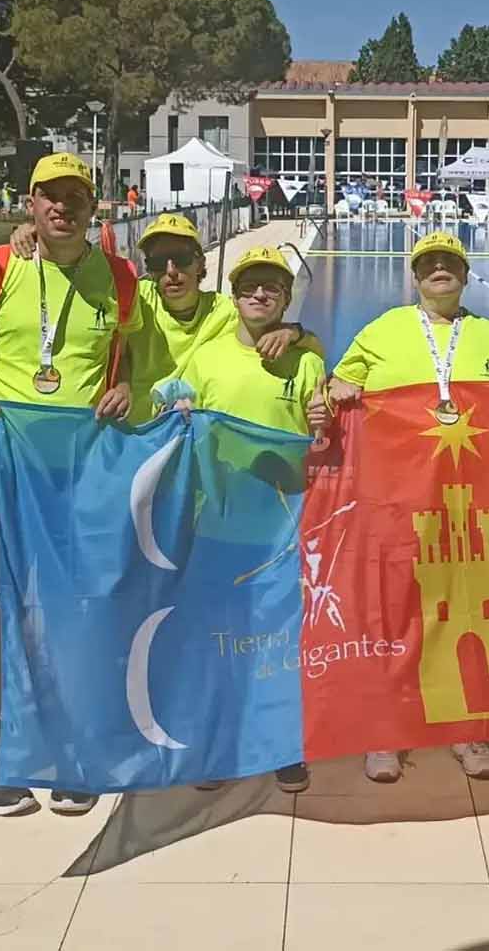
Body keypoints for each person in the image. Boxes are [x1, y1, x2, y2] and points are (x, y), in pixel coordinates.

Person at [0, 152, 141, 817]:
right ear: (29, 204)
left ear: (93, 208)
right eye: (49, 196)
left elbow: (137, 351)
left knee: (77, 606)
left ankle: (71, 742)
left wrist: (125, 384)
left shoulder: (119, 279)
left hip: (80, 469)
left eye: (75, 196)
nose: (62, 207)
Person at [328, 230, 489, 784]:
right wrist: (340, 387)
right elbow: (338, 386)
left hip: (467, 508)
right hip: (395, 504)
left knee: (461, 615)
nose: (438, 271)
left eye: (449, 264)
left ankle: (465, 730)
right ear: (414, 277)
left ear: (464, 276)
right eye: (428, 265)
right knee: (394, 616)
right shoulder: (384, 330)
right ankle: (386, 732)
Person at [160, 245, 331, 794]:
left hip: (282, 527)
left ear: (285, 298)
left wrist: (323, 415)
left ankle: (282, 744)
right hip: (218, 522)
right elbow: (167, 402)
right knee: (218, 638)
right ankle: (216, 743)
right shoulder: (207, 358)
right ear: (235, 296)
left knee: (279, 643)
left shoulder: (306, 360)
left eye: (273, 288)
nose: (261, 294)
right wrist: (172, 409)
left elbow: (323, 429)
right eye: (251, 286)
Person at [10, 212, 310, 426]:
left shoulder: (226, 311)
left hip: (195, 440)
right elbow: (73, 275)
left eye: (180, 259)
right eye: (157, 262)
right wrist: (36, 233)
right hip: (138, 435)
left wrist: (292, 332)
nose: (171, 271)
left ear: (199, 262)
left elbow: (312, 352)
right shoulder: (133, 297)